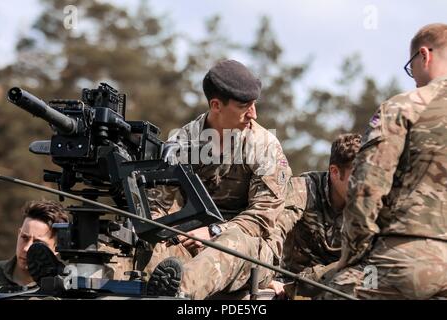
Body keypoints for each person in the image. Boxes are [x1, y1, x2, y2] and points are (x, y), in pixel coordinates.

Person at [142, 59, 293, 299]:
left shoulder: (265, 146)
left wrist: (213, 231)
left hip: (252, 249)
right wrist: (168, 234)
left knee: (232, 243)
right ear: (216, 105)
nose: (253, 113)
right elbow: (157, 206)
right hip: (193, 243)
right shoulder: (184, 142)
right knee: (150, 243)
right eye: (245, 105)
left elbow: (263, 217)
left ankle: (179, 294)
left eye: (254, 104)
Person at [321, 23, 447, 299]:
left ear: (424, 55)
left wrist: (351, 255)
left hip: (403, 261)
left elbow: (367, 187)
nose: (412, 76)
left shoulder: (403, 107)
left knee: (331, 290)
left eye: (410, 66)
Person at [267, 133, 362, 298]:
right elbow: (274, 228)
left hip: (338, 285)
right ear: (334, 171)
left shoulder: (371, 203)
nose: (365, 184)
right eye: (358, 177)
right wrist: (266, 276)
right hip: (288, 286)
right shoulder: (304, 188)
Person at [0, 200, 69, 292]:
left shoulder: (67, 287)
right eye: (24, 237)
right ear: (19, 233)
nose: (26, 248)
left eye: (37, 243)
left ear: (57, 247)